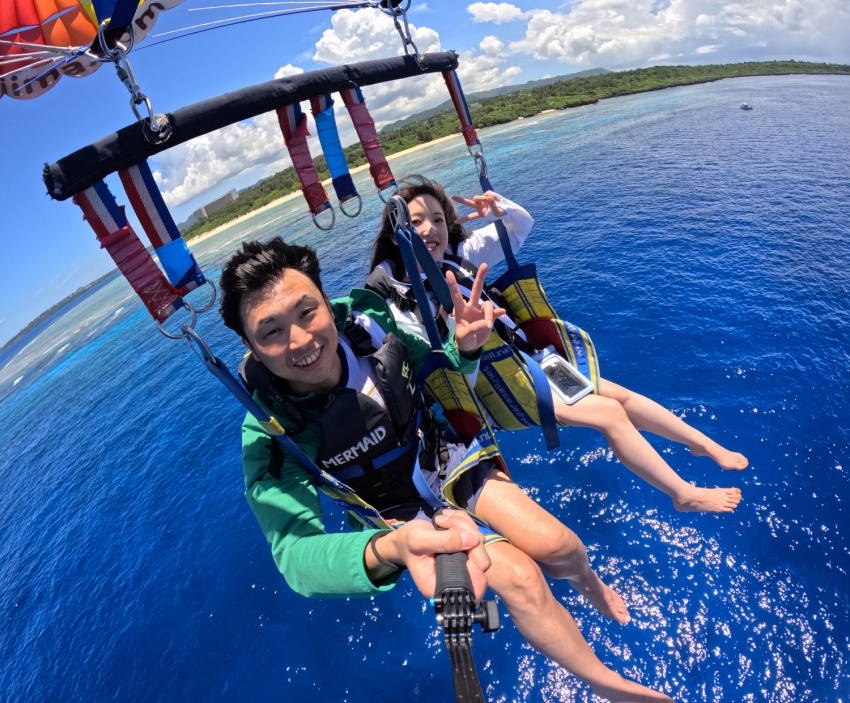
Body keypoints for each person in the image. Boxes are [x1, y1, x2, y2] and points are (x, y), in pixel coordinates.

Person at [220, 237, 673, 702]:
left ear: (324, 301)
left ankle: (589, 583)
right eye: (271, 332)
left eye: (306, 311)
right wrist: (390, 546)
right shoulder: (272, 432)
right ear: (250, 345)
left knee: (560, 544)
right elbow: (294, 555)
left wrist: (467, 349)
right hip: (391, 511)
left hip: (441, 457)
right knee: (520, 578)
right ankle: (603, 682)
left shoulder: (370, 327)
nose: (301, 341)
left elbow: (440, 370)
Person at [367, 176, 747, 514]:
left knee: (620, 397)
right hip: (497, 387)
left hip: (528, 361)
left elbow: (518, 228)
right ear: (396, 234)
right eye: (415, 222)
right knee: (609, 415)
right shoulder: (400, 302)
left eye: (437, 218)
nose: (430, 228)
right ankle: (682, 493)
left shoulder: (458, 257)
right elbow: (431, 371)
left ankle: (700, 443)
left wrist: (498, 209)